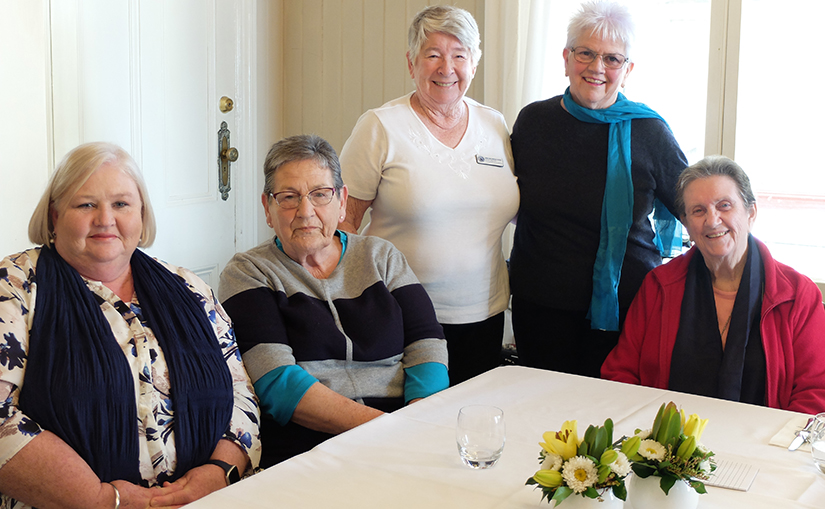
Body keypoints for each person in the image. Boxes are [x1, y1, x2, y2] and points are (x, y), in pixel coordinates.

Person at [0, 142, 260, 509]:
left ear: (142, 215)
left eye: (121, 204)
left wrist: (219, 473)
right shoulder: (14, 287)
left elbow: (241, 394)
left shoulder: (189, 287)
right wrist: (101, 499)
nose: (105, 219)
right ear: (55, 216)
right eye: (85, 204)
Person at [219, 134, 449, 467]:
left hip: (407, 428)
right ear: (267, 209)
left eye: (320, 194)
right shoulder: (248, 272)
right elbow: (278, 383)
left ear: (342, 201)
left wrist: (418, 420)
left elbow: (426, 343)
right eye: (288, 197)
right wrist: (389, 431)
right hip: (308, 446)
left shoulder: (380, 256)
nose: (305, 211)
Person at [338, 5, 519, 386]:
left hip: (484, 313)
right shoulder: (381, 126)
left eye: (459, 55)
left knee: (471, 421)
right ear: (411, 62)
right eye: (433, 54)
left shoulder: (494, 124)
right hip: (402, 315)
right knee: (411, 428)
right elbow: (343, 222)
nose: (446, 68)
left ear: (474, 63)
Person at [509, 0, 687, 377]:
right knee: (544, 419)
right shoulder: (533, 122)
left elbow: (693, 204)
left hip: (626, 310)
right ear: (566, 57)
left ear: (628, 69)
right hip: (540, 306)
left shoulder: (649, 131)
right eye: (586, 53)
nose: (597, 68)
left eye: (612, 59)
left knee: (614, 421)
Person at [602, 156, 825, 413]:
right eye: (698, 210)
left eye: (724, 205)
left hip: (761, 445)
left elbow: (815, 392)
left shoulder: (798, 295)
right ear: (685, 223)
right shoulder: (658, 286)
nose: (712, 220)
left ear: (750, 212)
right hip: (667, 444)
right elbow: (620, 374)